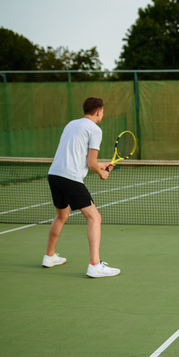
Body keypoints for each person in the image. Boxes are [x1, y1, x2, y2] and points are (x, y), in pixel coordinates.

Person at [42, 97, 121, 278]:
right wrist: (102, 173)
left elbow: (82, 157)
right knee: (94, 217)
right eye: (103, 111)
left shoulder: (72, 124)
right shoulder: (95, 129)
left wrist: (101, 166)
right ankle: (95, 265)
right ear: (99, 111)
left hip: (54, 174)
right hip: (70, 177)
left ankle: (50, 256)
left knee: (62, 215)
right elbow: (91, 162)